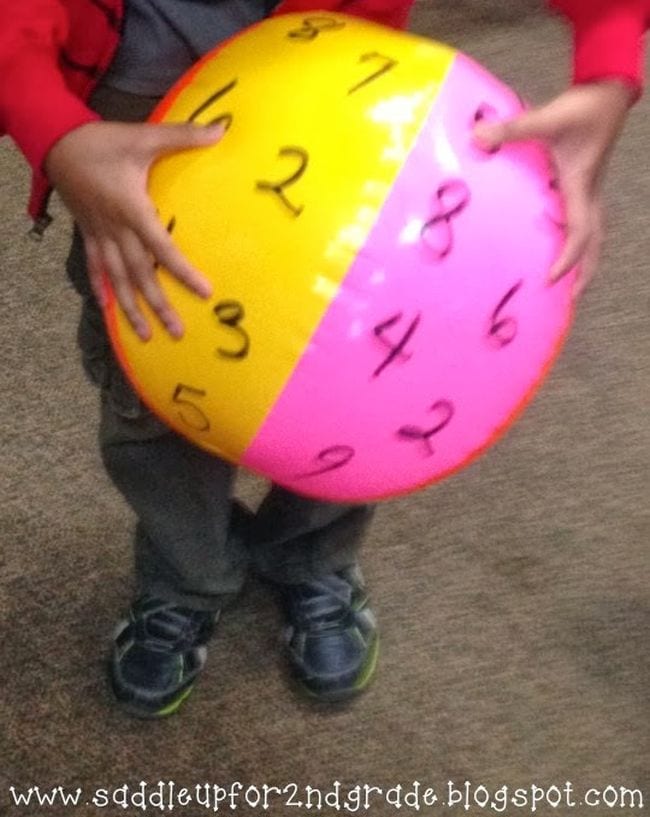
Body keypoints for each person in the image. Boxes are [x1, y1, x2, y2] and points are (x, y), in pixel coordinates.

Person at [0, 0, 645, 718]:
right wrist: (49, 126)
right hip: (134, 121)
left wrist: (609, 67)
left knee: (365, 382)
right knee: (150, 390)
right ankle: (186, 577)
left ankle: (310, 555)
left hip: (349, 117)